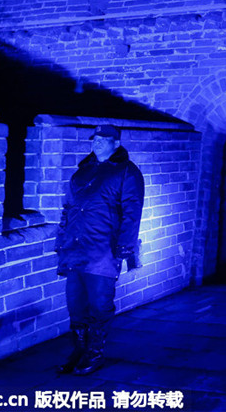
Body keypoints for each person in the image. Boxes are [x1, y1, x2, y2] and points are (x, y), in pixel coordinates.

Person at [55, 124, 144, 375]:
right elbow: (68, 209)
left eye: (105, 139)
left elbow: (131, 212)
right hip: (75, 250)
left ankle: (94, 353)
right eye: (95, 139)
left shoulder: (127, 172)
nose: (98, 143)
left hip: (103, 250)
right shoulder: (82, 171)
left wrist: (124, 249)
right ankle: (79, 350)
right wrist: (62, 240)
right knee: (75, 303)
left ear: (116, 144)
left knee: (100, 304)